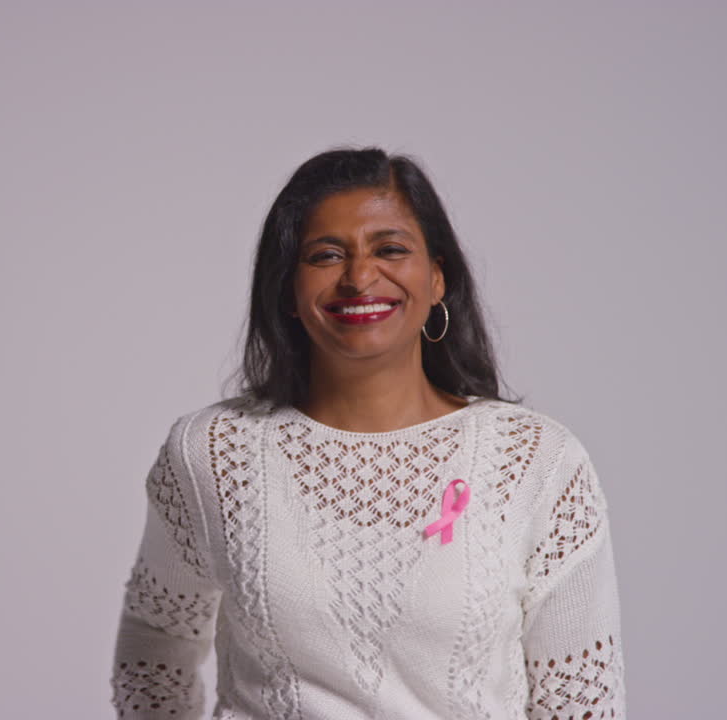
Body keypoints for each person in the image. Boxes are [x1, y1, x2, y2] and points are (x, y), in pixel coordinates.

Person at [110, 147, 625, 719]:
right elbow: (155, 638)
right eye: (326, 255)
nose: (358, 277)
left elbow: (582, 701)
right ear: (287, 289)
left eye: (390, 250)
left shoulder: (535, 461)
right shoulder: (214, 452)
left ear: (436, 277)